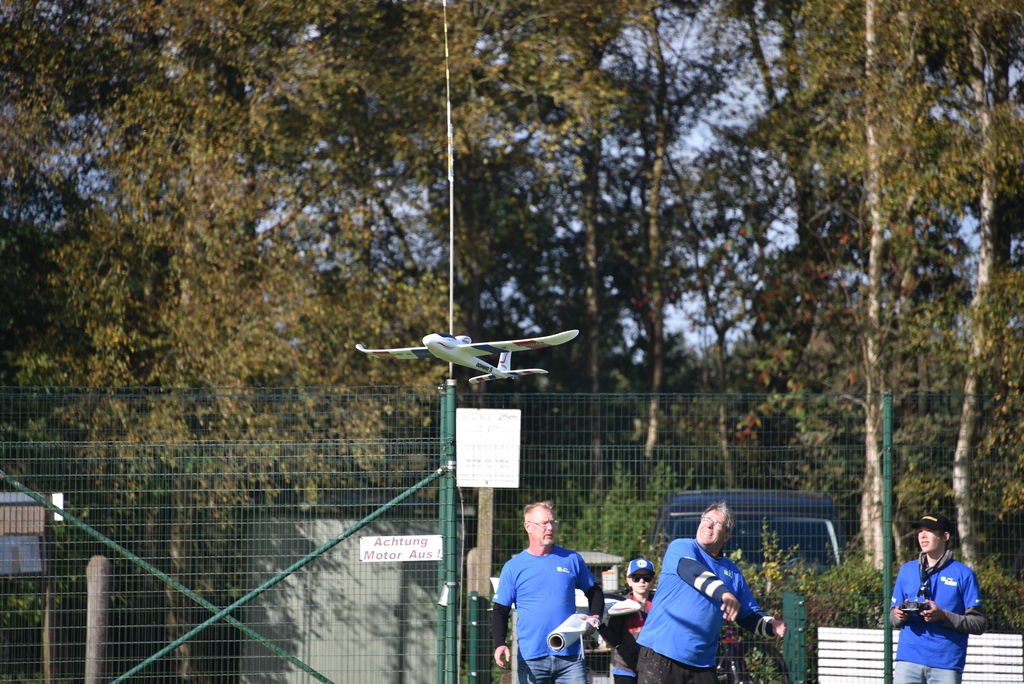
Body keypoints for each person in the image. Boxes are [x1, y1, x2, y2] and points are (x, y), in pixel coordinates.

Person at [636, 501, 786, 684]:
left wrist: (771, 626)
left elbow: (749, 615)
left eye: (716, 523)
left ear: (726, 536)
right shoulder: (681, 547)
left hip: (702, 664)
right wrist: (725, 593)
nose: (708, 524)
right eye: (705, 519)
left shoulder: (733, 573)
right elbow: (693, 571)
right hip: (661, 653)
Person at [492, 501, 604, 684]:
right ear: (528, 527)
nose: (550, 527)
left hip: (570, 657)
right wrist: (500, 643)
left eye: (552, 522)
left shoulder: (571, 559)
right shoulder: (513, 567)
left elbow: (595, 592)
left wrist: (595, 618)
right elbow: (500, 611)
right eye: (544, 523)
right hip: (532, 657)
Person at [890, 513, 985, 684]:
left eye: (929, 530)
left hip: (946, 663)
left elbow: (978, 624)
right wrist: (899, 615)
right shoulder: (906, 570)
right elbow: (892, 617)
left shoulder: (964, 574)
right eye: (920, 531)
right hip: (908, 660)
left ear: (945, 536)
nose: (922, 535)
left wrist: (943, 615)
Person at [598, 557, 657, 683]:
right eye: (636, 577)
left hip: (653, 668)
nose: (642, 581)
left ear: (653, 580)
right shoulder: (621, 606)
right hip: (625, 669)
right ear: (629, 581)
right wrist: (600, 625)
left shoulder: (660, 605)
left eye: (647, 577)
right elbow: (614, 641)